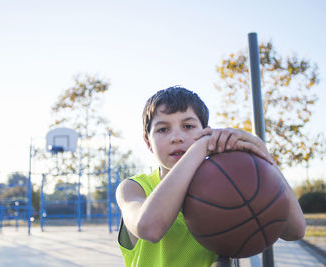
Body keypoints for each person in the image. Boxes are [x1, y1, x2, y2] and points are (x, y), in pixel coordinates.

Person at [116, 86, 306, 267]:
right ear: (148, 142)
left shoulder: (227, 184)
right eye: (163, 129)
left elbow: (296, 230)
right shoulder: (133, 188)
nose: (177, 137)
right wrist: (200, 147)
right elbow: (149, 227)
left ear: (206, 131)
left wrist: (263, 156)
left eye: (188, 126)